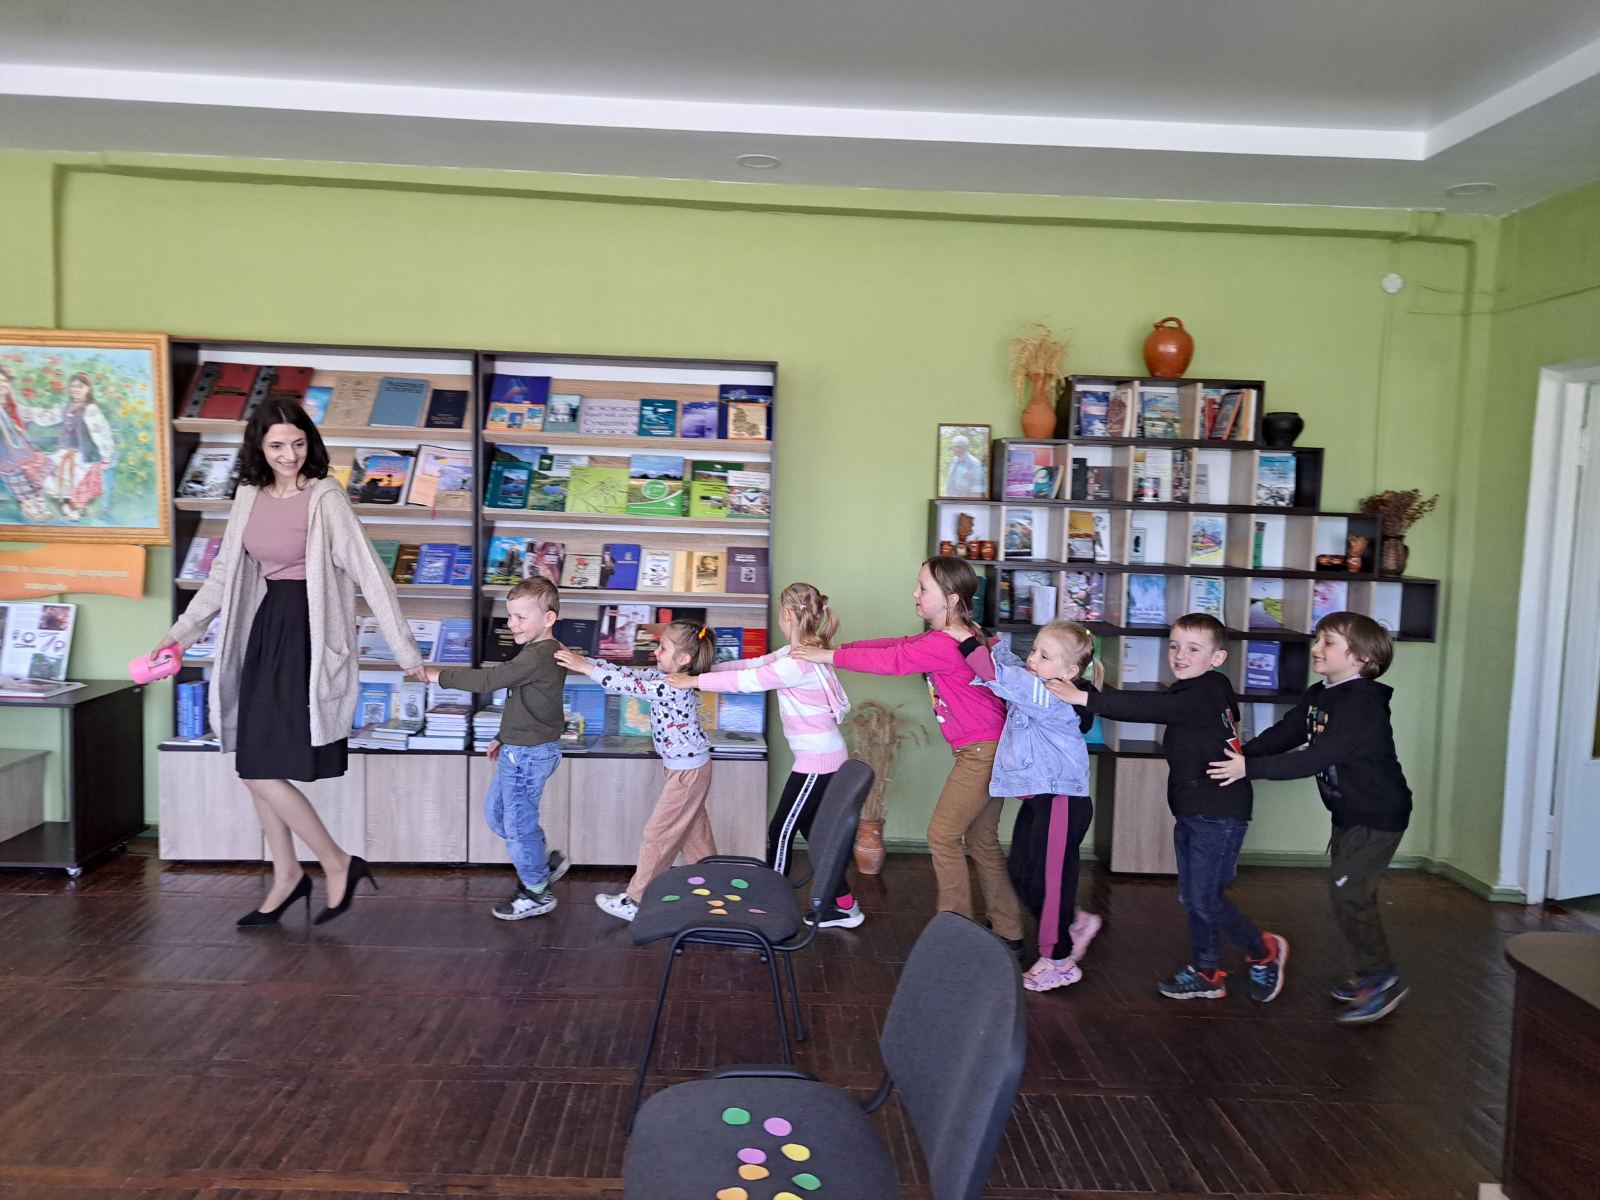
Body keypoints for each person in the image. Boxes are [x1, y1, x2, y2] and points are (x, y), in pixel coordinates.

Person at [154, 399, 422, 926]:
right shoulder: (248, 494)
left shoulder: (326, 498)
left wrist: (406, 653)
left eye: (297, 443)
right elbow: (223, 575)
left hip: (307, 633)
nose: (288, 455)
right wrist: (177, 638)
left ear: (309, 443)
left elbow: (371, 575)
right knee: (253, 766)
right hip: (264, 630)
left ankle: (336, 862)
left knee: (260, 767)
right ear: (259, 447)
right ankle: (288, 876)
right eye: (277, 445)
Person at [793, 556, 1026, 954]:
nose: (914, 593)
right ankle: (1010, 932)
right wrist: (834, 649)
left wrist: (826, 656)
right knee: (982, 840)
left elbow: (893, 660)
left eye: (923, 588)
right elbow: (896, 645)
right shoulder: (959, 634)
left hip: (982, 752)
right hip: (991, 748)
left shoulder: (945, 643)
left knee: (942, 836)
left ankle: (955, 936)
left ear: (951, 598)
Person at [1051, 613, 1288, 1002]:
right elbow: (1163, 707)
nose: (1180, 655)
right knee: (1195, 897)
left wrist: (1084, 697)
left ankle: (1263, 952)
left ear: (1217, 658)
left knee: (1204, 897)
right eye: (1175, 646)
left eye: (1193, 649)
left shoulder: (1206, 692)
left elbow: (1149, 708)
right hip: (1194, 810)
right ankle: (1208, 972)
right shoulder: (1194, 690)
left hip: (1220, 813)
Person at [1208, 612, 1412, 1024]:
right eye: (1317, 639)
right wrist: (1243, 754)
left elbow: (1314, 758)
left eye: (1328, 642)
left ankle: (1381, 977)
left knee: (1349, 893)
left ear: (1361, 658)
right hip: (1350, 812)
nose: (1316, 648)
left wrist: (1249, 769)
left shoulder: (1362, 704)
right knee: (1350, 892)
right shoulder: (1322, 694)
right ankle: (1371, 971)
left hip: (1377, 815)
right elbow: (1288, 732)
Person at [666, 582, 861, 928]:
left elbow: (748, 682)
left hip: (818, 761)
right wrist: (704, 670)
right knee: (812, 830)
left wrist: (692, 683)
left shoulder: (796, 664)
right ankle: (846, 906)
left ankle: (770, 909)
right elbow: (751, 666)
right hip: (823, 756)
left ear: (786, 614)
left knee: (780, 830)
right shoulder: (799, 653)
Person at [416, 576, 570, 920]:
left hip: (528, 755)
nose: (511, 623)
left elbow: (490, 680)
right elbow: (529, 705)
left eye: (520, 617)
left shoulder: (539, 655)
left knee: (517, 826)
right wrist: (503, 735)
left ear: (548, 618)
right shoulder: (537, 651)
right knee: (498, 815)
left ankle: (536, 891)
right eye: (510, 615)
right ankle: (541, 863)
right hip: (518, 748)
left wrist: (437, 675)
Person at [963, 621, 1103, 991]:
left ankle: (1059, 961)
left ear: (1069, 672)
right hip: (1041, 799)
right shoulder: (1039, 682)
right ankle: (1073, 923)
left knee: (1051, 882)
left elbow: (1000, 675)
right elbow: (1013, 666)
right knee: (1022, 873)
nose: (1033, 658)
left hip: (1062, 801)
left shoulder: (1055, 697)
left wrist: (966, 642)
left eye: (1044, 655)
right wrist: (987, 638)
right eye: (1035, 649)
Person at [557, 620, 716, 922]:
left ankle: (636, 900)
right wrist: (581, 660)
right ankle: (713, 888)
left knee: (658, 834)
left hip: (687, 774)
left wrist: (584, 668)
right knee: (695, 837)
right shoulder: (664, 677)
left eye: (663, 648)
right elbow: (626, 674)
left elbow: (628, 686)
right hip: (683, 770)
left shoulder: (672, 687)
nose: (656, 652)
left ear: (683, 659)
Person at [27, 372, 116, 522]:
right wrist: (27, 413)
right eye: (73, 386)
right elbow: (48, 417)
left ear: (88, 388)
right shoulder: (67, 407)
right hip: (65, 451)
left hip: (84, 454)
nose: (75, 389)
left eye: (80, 386)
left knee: (76, 473)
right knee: (48, 467)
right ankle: (66, 501)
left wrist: (106, 456)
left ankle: (76, 506)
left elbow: (101, 433)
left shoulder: (90, 409)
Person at [0, 365, 51, 521]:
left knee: (33, 469)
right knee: (15, 472)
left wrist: (49, 413)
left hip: (22, 448)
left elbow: (28, 413)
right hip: (5, 453)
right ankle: (27, 504)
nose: (2, 384)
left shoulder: (11, 405)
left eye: (4, 381)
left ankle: (39, 502)